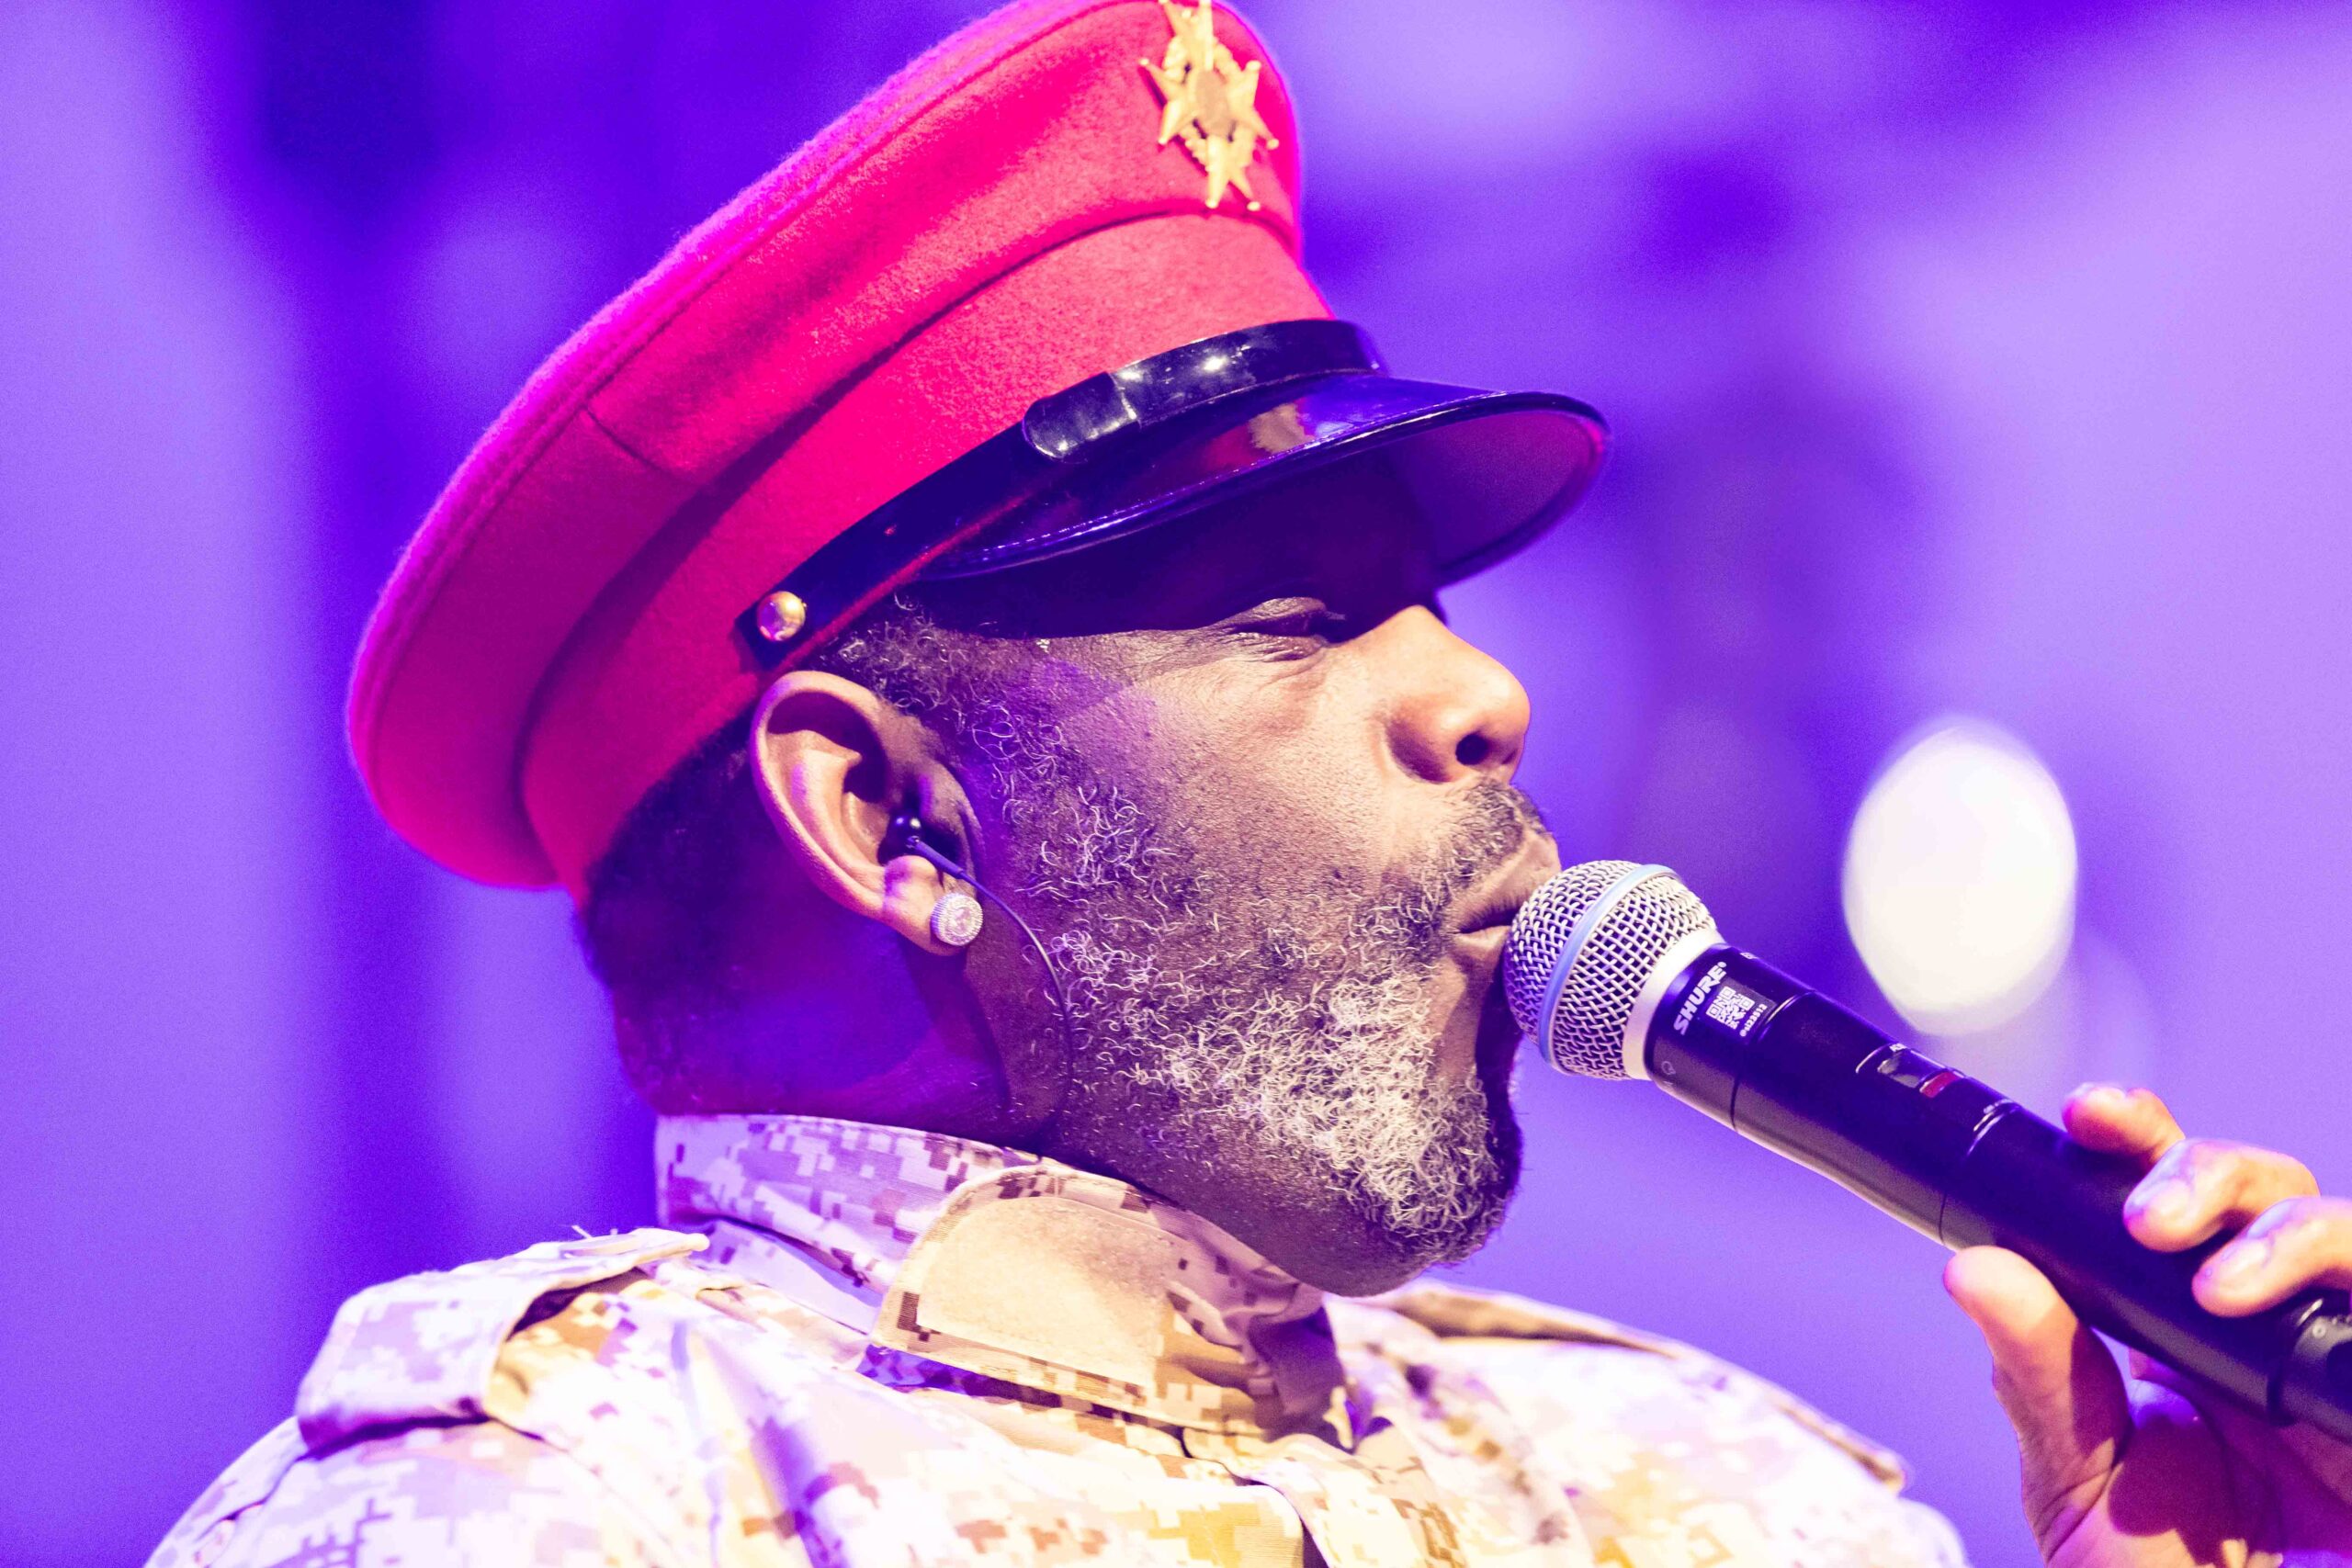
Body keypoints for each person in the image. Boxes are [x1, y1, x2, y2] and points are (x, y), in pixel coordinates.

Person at [151, 2, 2352, 1563]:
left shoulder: (1721, 1498)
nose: (1485, 691)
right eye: (1303, 618)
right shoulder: (541, 1508)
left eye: (1434, 600)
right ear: (889, 815)